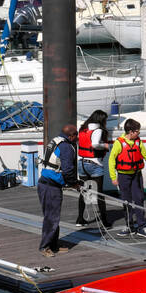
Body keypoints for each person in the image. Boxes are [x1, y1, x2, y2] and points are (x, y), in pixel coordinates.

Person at [37, 124, 79, 257]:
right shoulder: (66, 147)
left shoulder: (55, 140)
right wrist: (74, 184)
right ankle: (45, 247)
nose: (77, 138)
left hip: (44, 183)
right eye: (76, 135)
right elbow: (68, 170)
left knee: (53, 216)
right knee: (51, 218)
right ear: (71, 135)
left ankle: (54, 245)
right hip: (51, 186)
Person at [108, 119, 146, 237]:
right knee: (126, 201)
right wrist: (113, 177)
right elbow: (111, 160)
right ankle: (129, 226)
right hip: (123, 176)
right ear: (131, 132)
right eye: (137, 132)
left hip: (136, 175)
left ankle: (142, 226)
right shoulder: (119, 143)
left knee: (139, 199)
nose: (139, 134)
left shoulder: (138, 142)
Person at [75, 109, 113, 228]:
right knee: (99, 193)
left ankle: (80, 219)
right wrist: (106, 145)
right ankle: (104, 222)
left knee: (83, 192)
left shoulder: (83, 129)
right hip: (94, 164)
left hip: (81, 163)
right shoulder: (98, 130)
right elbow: (95, 144)